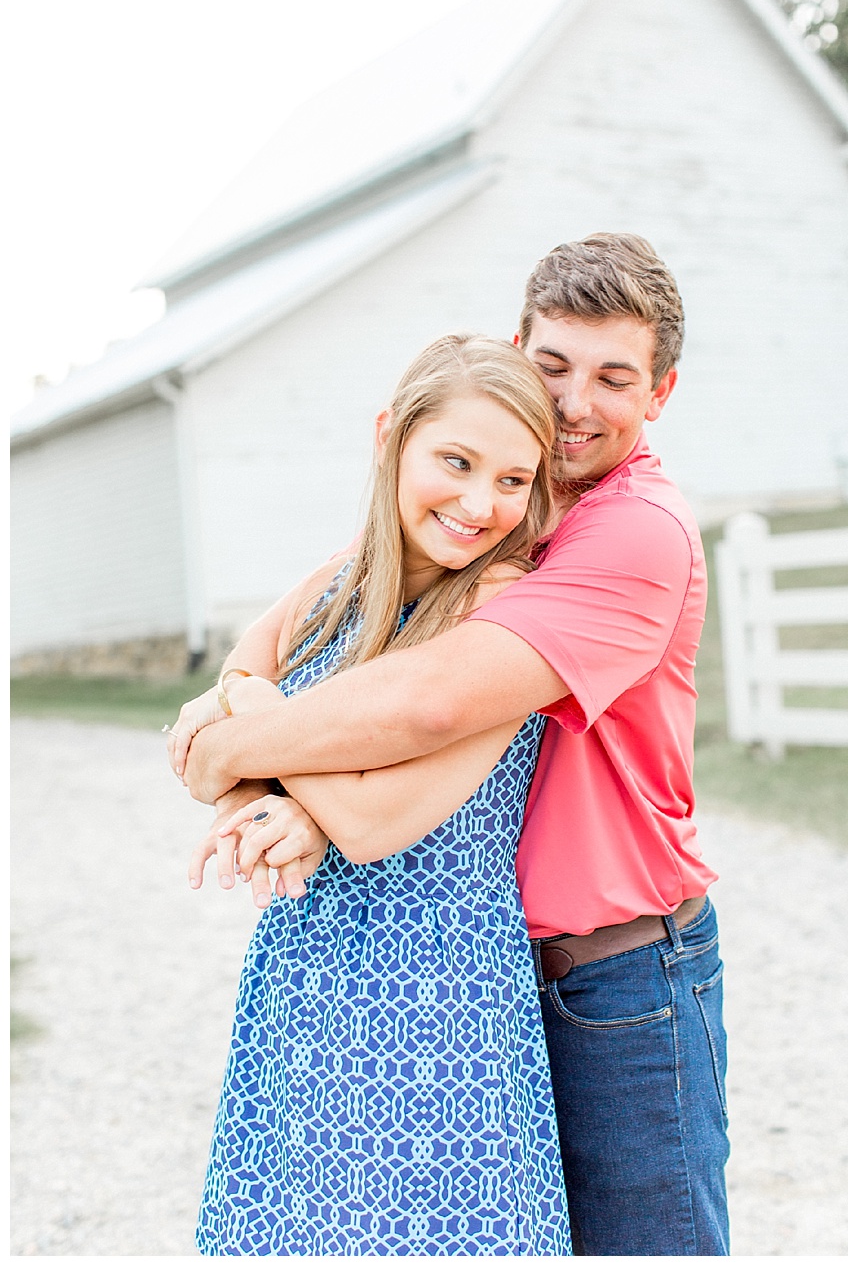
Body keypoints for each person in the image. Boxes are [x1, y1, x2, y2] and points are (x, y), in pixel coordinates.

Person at [172, 233, 728, 1256]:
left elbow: (426, 707)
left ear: (661, 391)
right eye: (553, 365)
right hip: (489, 961)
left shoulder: (628, 532)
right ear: (519, 351)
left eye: (613, 377)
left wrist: (237, 744)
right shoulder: (499, 507)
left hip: (616, 975)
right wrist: (254, 776)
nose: (573, 401)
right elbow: (274, 656)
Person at [182, 333, 570, 1254]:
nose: (481, 504)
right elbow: (199, 760)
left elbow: (371, 821)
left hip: (436, 986)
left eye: (513, 481)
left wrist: (261, 723)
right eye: (457, 461)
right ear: (392, 437)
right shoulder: (338, 581)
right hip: (305, 968)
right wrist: (269, 793)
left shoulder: (501, 608)